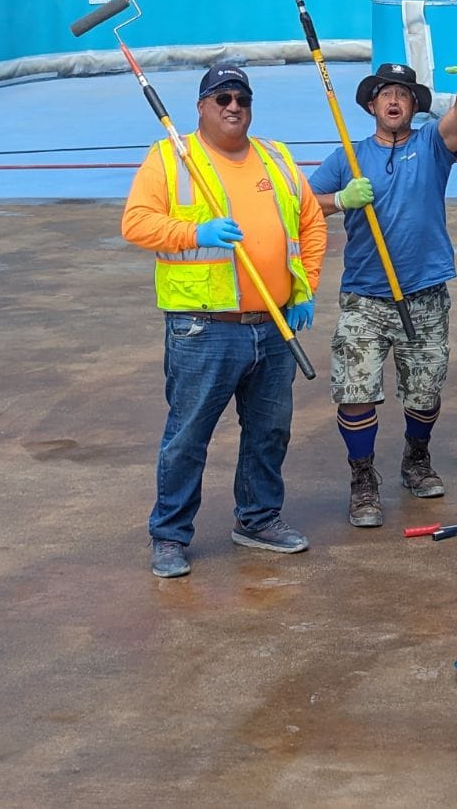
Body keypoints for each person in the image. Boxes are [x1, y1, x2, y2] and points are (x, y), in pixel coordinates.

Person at [121, 62, 327, 579]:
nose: (233, 106)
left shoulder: (276, 158)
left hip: (275, 324)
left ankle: (257, 519)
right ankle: (169, 536)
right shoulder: (173, 158)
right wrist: (197, 232)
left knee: (269, 431)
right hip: (204, 327)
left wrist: (306, 288)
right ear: (201, 107)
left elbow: (310, 221)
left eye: (241, 97)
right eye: (222, 98)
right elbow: (136, 222)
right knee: (189, 435)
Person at [307, 26, 457, 527]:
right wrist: (340, 199)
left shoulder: (434, 145)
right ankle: (362, 476)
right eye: (385, 95)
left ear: (415, 106)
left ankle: (416, 457)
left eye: (403, 95)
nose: (394, 102)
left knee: (424, 392)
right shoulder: (349, 157)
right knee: (355, 392)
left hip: (424, 293)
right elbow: (302, 205)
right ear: (372, 105)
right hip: (364, 298)